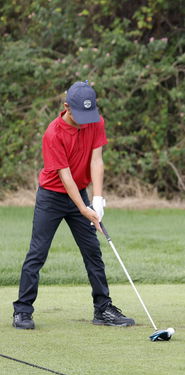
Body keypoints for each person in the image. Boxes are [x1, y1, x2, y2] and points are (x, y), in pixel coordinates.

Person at [12, 81, 135, 330]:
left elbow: (96, 160)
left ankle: (103, 309)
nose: (84, 121)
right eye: (79, 115)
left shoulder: (95, 121)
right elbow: (64, 175)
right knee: (38, 252)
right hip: (52, 196)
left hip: (80, 191)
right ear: (66, 106)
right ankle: (22, 311)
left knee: (92, 251)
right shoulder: (53, 133)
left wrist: (98, 200)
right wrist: (83, 208)